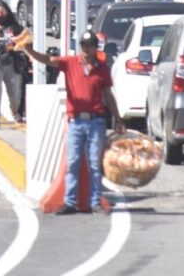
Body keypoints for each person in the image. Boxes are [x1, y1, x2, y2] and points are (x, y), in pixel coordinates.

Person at [22, 31, 125, 215]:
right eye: (84, 45)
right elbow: (48, 60)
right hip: (76, 121)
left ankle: (94, 202)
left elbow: (108, 95)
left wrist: (118, 118)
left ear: (95, 48)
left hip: (96, 121)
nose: (87, 49)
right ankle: (70, 201)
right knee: (72, 162)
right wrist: (30, 51)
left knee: (95, 164)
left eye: (91, 46)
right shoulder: (70, 63)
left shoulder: (102, 69)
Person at [0, 1, 29, 127]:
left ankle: (15, 112)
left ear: (7, 13)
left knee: (14, 94)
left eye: (2, 12)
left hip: (11, 62)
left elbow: (25, 43)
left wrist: (12, 46)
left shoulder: (15, 27)